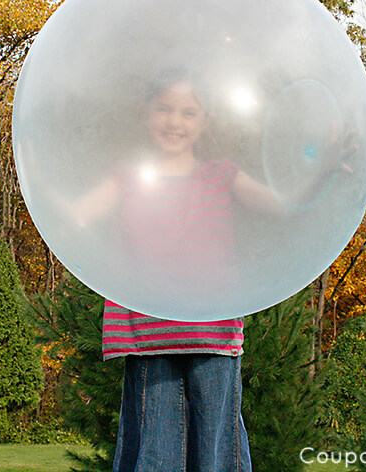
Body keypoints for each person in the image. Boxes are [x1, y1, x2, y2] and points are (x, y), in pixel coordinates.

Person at [71, 72, 284, 472]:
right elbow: (77, 215)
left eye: (189, 112)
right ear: (146, 113)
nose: (175, 121)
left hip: (213, 329)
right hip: (148, 327)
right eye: (164, 108)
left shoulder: (220, 174)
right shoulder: (129, 176)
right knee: (155, 446)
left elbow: (277, 205)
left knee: (217, 447)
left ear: (205, 120)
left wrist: (323, 177)